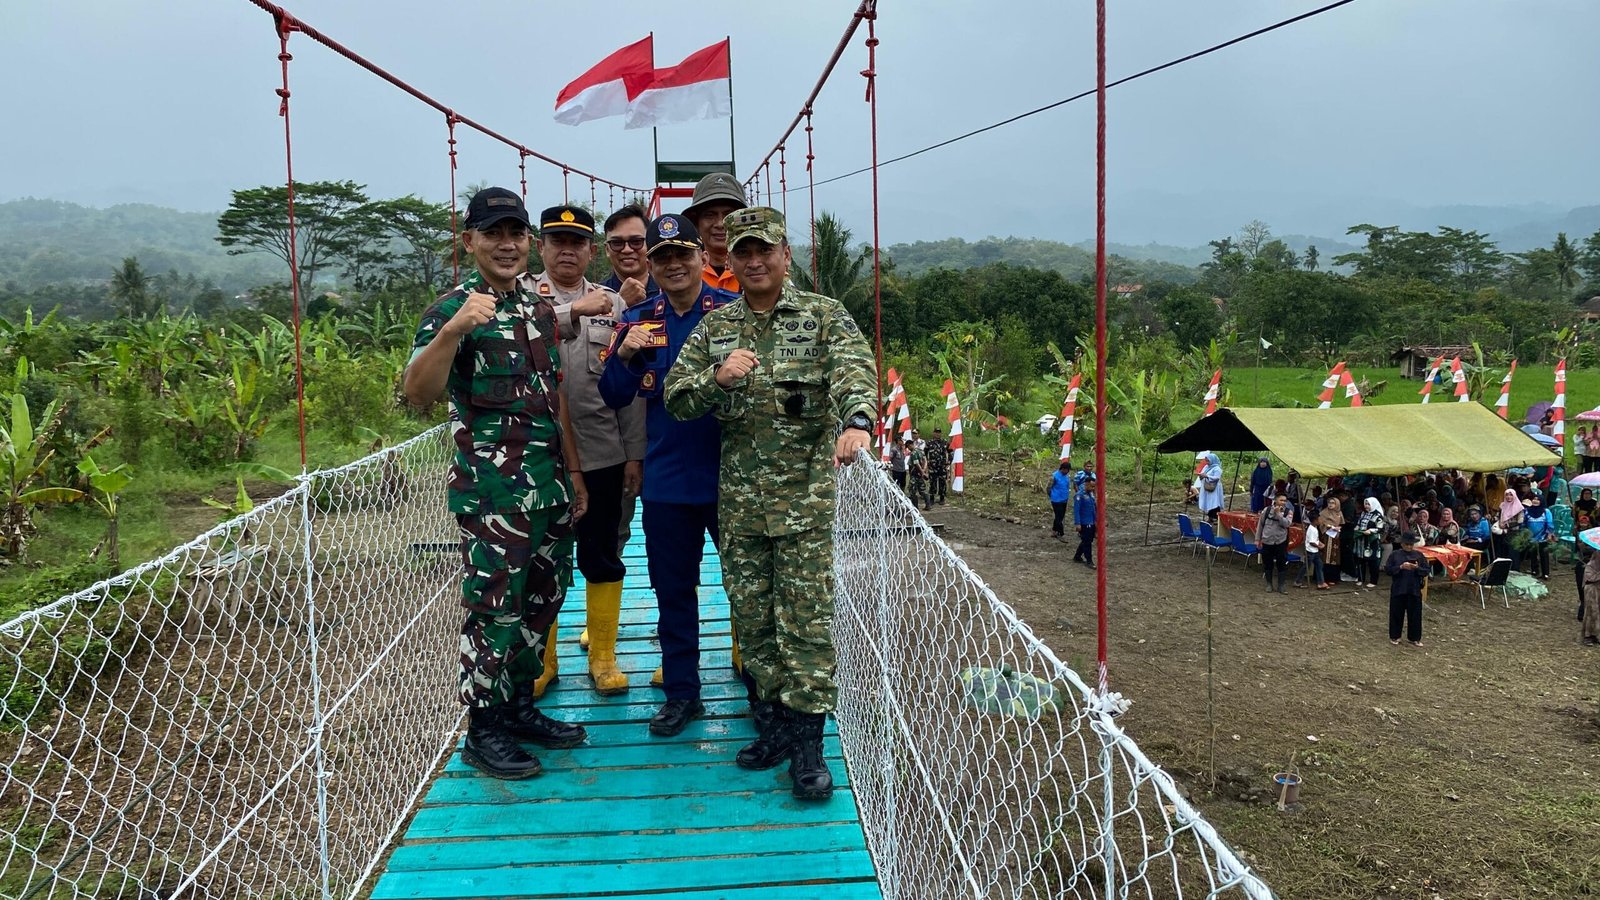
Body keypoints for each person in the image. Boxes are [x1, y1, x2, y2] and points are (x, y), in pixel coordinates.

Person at [664, 206, 877, 802]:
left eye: (766, 250)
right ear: (729, 260)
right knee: (754, 621)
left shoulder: (823, 316)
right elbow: (677, 398)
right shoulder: (716, 328)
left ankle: (809, 744)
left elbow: (855, 373)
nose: (755, 261)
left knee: (806, 623)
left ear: (786, 255)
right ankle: (774, 725)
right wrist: (717, 379)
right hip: (740, 506)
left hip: (804, 502)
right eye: (744, 252)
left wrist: (857, 421)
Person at [402, 187, 589, 780]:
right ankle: (484, 730)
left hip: (549, 488)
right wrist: (452, 333)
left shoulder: (537, 308)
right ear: (470, 241)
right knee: (495, 610)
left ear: (527, 241)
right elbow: (416, 394)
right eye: (492, 234)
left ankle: (519, 708)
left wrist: (574, 474)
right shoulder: (450, 310)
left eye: (515, 233)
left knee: (542, 602)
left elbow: (554, 397)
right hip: (493, 496)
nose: (506, 245)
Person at [598, 213, 738, 736]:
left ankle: (763, 690)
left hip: (733, 479)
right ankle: (682, 694)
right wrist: (625, 356)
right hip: (667, 483)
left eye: (683, 254)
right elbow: (613, 395)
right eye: (663, 257)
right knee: (672, 592)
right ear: (651, 265)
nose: (674, 265)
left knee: (748, 590)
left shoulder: (735, 312)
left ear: (702, 257)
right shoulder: (639, 320)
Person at [520, 205, 647, 698]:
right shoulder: (518, 297)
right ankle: (542, 661)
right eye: (558, 241)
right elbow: (525, 330)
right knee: (539, 560)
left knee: (603, 552)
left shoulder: (615, 305)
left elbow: (630, 384)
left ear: (591, 251)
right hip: (535, 454)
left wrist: (634, 454)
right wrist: (572, 311)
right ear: (541, 247)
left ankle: (603, 656)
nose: (567, 251)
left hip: (602, 452)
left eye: (577, 242)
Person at [681, 172, 746, 293]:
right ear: (696, 223)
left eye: (729, 215)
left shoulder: (760, 269)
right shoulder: (680, 272)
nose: (720, 224)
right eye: (710, 215)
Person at [599, 204, 658, 306]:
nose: (627, 250)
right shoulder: (594, 296)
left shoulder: (669, 291)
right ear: (607, 249)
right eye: (617, 243)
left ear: (649, 244)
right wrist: (620, 302)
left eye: (636, 242)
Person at [1384, 532, 1428, 647]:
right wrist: (1400, 567)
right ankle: (1395, 636)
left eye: (1411, 544)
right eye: (1407, 544)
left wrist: (1417, 568)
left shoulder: (1419, 555)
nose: (1409, 546)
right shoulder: (1395, 555)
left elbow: (1426, 571)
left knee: (1415, 615)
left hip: (1414, 589)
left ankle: (1414, 638)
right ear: (1402, 544)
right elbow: (1388, 570)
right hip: (1399, 589)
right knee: (1396, 614)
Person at [1255, 493, 1293, 593]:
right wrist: (1257, 539)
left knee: (1281, 563)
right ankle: (1269, 584)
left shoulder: (1288, 512)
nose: (1283, 502)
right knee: (1268, 563)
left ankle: (1281, 585)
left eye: (1285, 501)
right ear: (1275, 500)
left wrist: (1279, 514)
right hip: (1267, 540)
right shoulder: (1266, 510)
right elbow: (1260, 524)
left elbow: (1287, 524)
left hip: (1280, 541)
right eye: (1281, 500)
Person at [1354, 497, 1386, 588]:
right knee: (1360, 560)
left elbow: (1380, 528)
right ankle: (1360, 579)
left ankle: (1373, 581)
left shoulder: (1377, 515)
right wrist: (1357, 528)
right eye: (1365, 504)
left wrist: (1371, 530)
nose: (1366, 506)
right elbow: (1359, 523)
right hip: (1361, 540)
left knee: (1373, 561)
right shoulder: (1363, 513)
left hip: (1372, 541)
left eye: (1368, 504)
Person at [1523, 494, 1554, 579]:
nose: (1535, 501)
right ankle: (1534, 570)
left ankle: (1545, 573)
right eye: (1534, 499)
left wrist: (1549, 533)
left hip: (1543, 536)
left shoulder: (1546, 511)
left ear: (1541, 501)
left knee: (1544, 554)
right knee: (1533, 554)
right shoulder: (1527, 511)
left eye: (1538, 499)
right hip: (1531, 536)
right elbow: (1524, 523)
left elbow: (1550, 523)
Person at [1495, 488, 1526, 571]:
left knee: (1513, 552)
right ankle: (1503, 569)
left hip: (1514, 533)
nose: (1509, 497)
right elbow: (1498, 516)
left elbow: (1520, 521)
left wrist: (1507, 525)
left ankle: (1514, 569)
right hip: (1502, 533)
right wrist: (1492, 518)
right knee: (1503, 551)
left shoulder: (1519, 507)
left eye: (1511, 495)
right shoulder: (1502, 506)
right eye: (1507, 495)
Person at [1297, 507, 1327, 589]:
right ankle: (1298, 581)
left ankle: (1321, 582)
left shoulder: (1314, 528)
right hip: (1310, 551)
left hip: (1315, 551)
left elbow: (1315, 539)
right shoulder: (1312, 529)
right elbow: (1312, 542)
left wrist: (1320, 543)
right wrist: (1319, 546)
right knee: (1306, 567)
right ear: (1315, 521)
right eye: (1319, 519)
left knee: (1319, 565)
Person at [1073, 473, 1098, 568]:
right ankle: (1089, 561)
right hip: (1084, 522)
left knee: (1087, 540)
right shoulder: (1079, 496)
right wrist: (1077, 523)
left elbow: (1093, 508)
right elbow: (1076, 510)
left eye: (1094, 486)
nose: (1093, 488)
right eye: (1091, 486)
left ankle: (1077, 556)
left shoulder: (1091, 495)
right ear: (1086, 484)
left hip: (1091, 521)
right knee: (1087, 542)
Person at [1320, 491, 1345, 581]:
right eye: (1329, 503)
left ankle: (1333, 578)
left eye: (1333, 503)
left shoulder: (1339, 513)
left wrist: (1338, 528)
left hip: (1336, 537)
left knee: (1335, 556)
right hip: (1327, 536)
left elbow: (1341, 523)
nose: (1330, 504)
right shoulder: (1324, 512)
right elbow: (1321, 523)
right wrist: (1329, 526)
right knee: (1326, 555)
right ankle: (1325, 577)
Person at [1198, 452, 1224, 525]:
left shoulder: (1217, 468)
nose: (1207, 462)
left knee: (1214, 502)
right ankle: (1210, 517)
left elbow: (1217, 478)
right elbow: (1202, 474)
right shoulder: (1206, 467)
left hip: (1214, 488)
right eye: (1206, 461)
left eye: (1208, 460)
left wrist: (1207, 476)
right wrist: (1201, 476)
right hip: (1206, 487)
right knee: (1209, 502)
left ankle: (1216, 518)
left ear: (1212, 460)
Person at [925, 428, 950, 505]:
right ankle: (932, 498)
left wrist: (949, 461)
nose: (937, 434)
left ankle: (942, 498)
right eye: (936, 432)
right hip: (932, 466)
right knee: (932, 482)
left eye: (939, 432)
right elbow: (925, 453)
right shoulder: (929, 443)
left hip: (942, 466)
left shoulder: (945, 442)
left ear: (941, 433)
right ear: (933, 433)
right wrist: (927, 461)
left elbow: (950, 451)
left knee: (942, 482)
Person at [1582, 549, 1600, 646]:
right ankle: (1587, 636)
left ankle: (1595, 634)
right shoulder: (1590, 565)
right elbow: (1590, 578)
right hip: (1591, 590)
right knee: (1591, 612)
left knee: (1598, 613)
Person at [908, 437, 931, 510]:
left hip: (915, 474)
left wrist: (922, 472)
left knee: (912, 491)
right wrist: (924, 470)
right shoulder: (920, 451)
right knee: (923, 490)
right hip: (920, 474)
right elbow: (925, 460)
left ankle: (915, 507)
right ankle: (928, 505)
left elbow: (916, 464)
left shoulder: (913, 453)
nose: (908, 449)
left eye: (908, 447)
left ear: (910, 445)